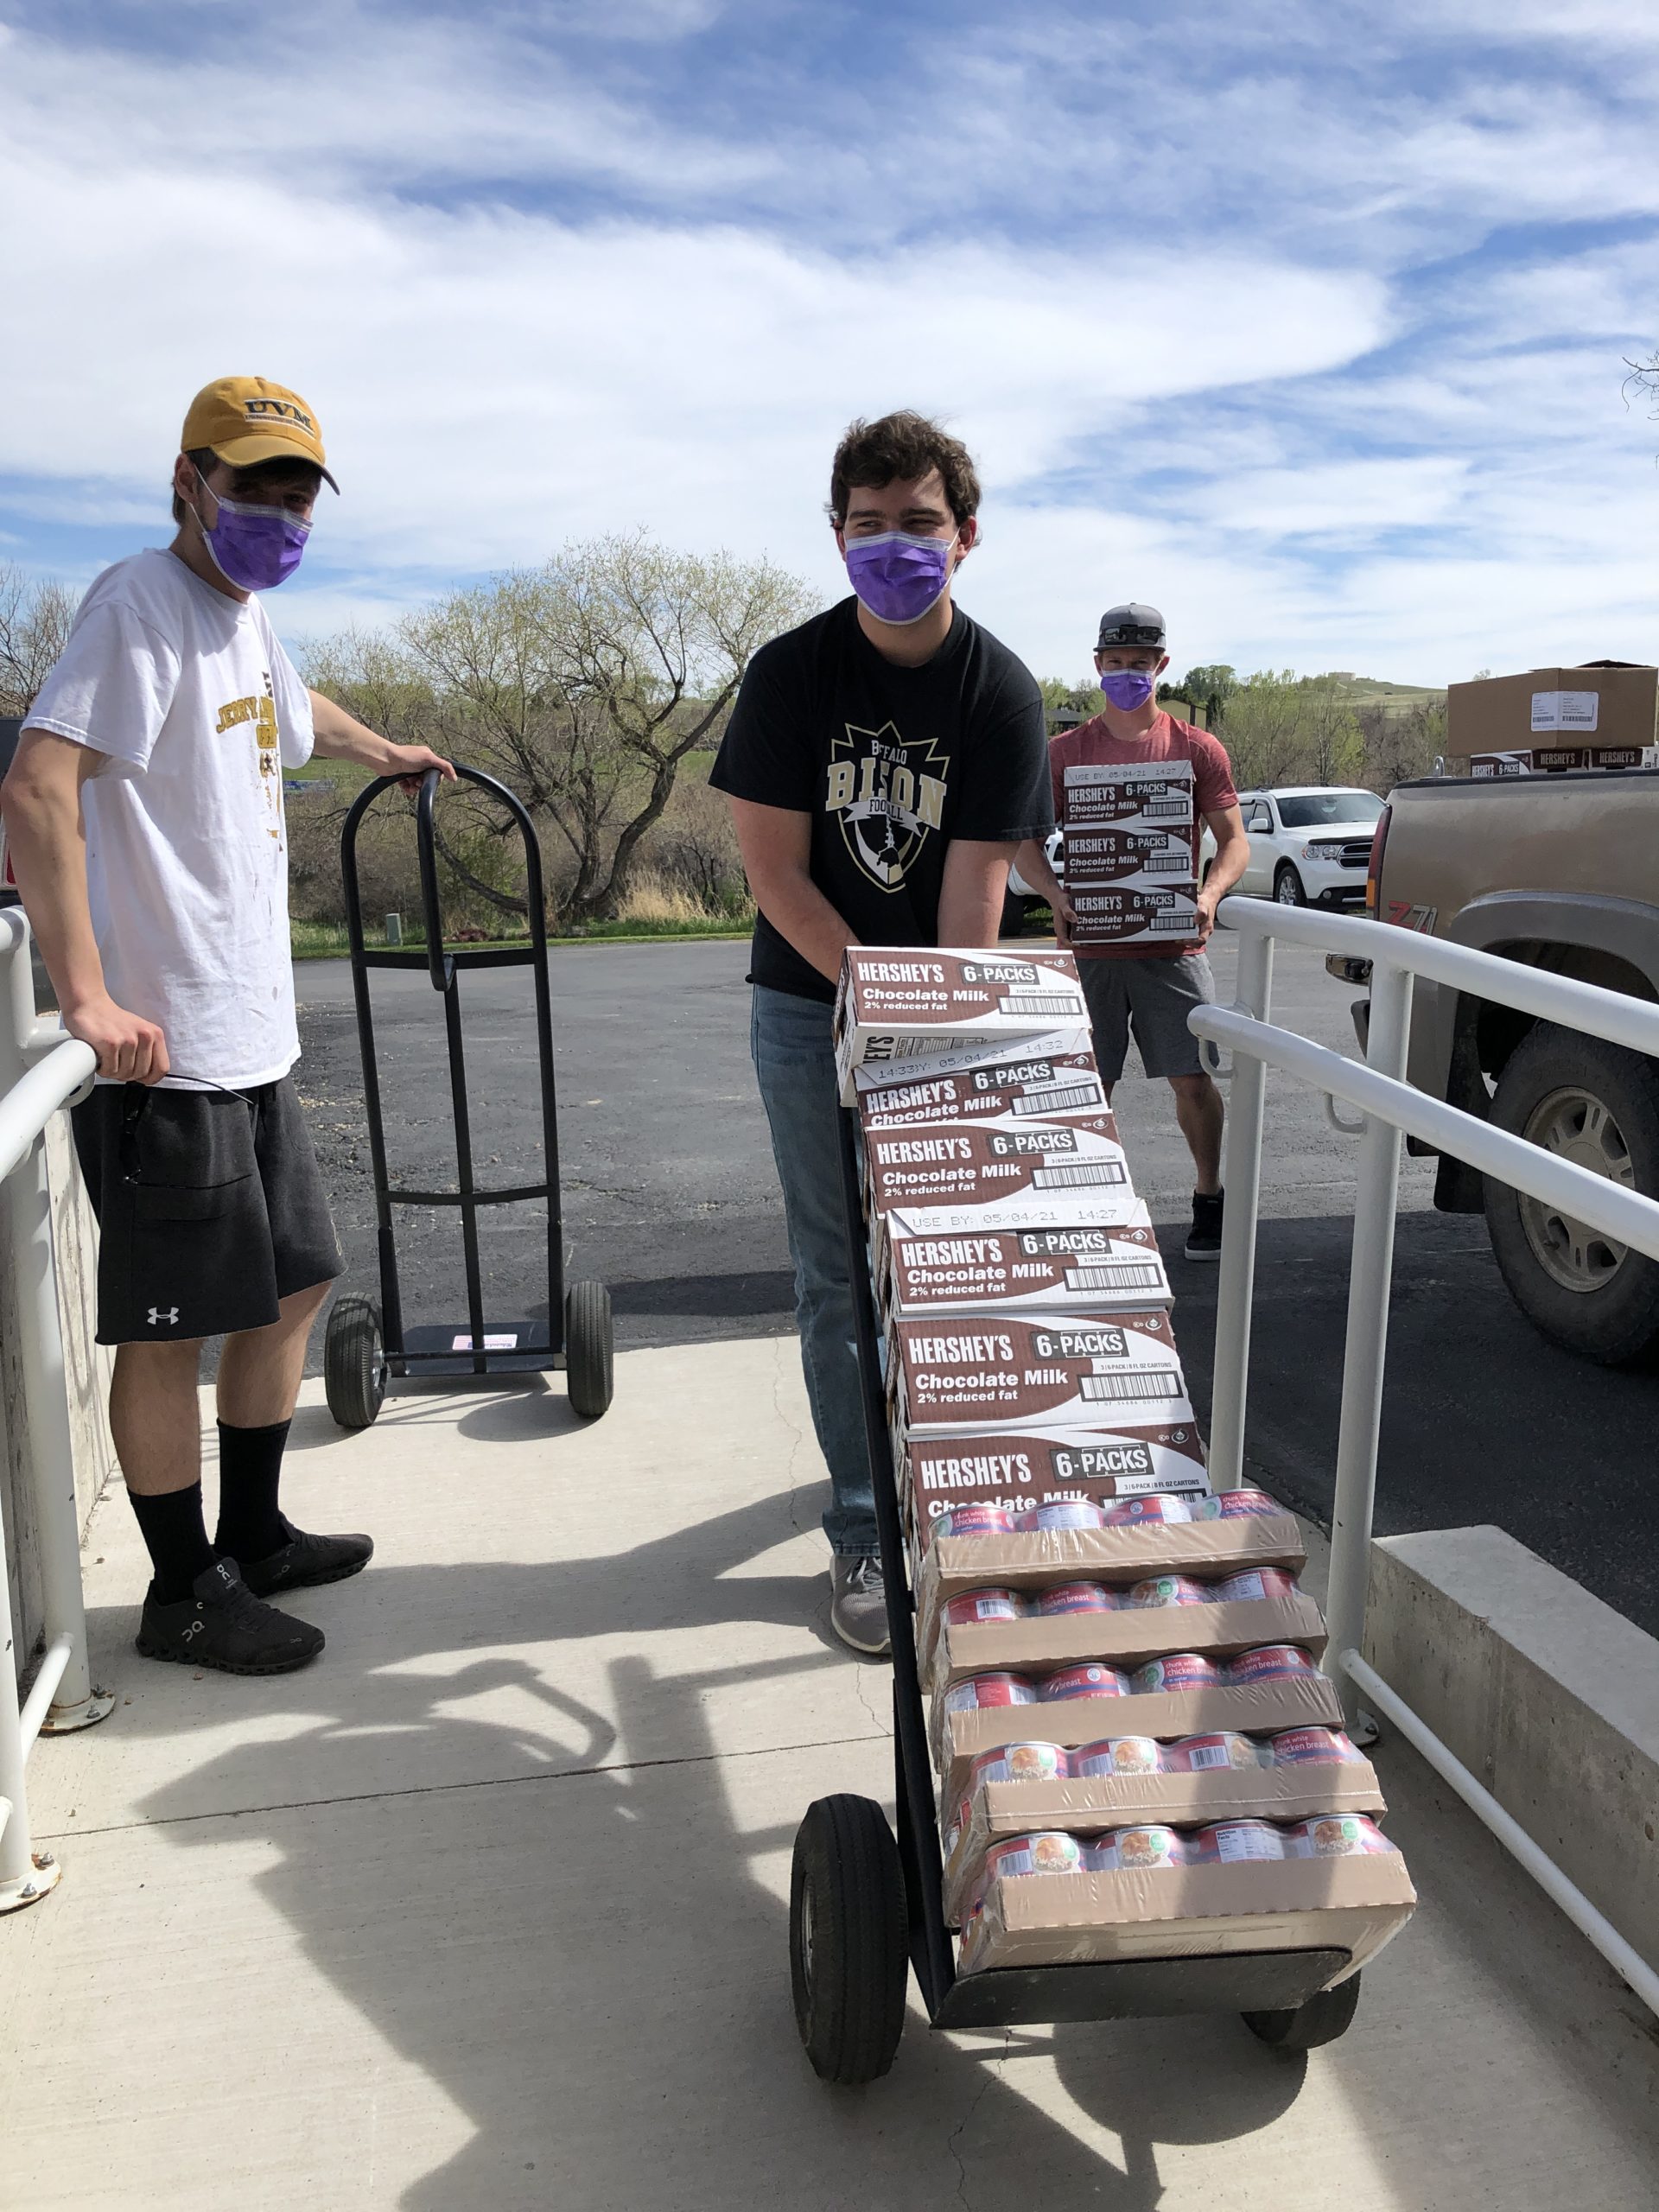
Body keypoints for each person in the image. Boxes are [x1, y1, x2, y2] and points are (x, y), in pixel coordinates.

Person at [0, 375, 454, 1676]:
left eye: (297, 489)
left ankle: (253, 1533)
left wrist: (388, 752)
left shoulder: (242, 621)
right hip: (166, 1050)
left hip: (249, 1038)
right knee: (169, 1326)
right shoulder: (138, 604)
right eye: (253, 483)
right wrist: (84, 997)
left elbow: (299, 720)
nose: (278, 511)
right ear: (189, 479)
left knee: (295, 1281)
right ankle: (181, 1592)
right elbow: (37, 791)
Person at [710, 410, 1055, 1656]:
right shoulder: (792, 675)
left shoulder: (1000, 690)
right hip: (806, 1006)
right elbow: (777, 879)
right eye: (870, 526)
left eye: (920, 523)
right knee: (836, 1273)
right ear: (838, 534)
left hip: (938, 1012)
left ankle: (958, 1506)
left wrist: (938, 1024)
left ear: (966, 536)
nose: (895, 545)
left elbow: (975, 897)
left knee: (950, 1270)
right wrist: (876, 1004)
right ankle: (863, 1526)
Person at [1015, 602, 1249, 1261]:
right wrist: (1054, 893)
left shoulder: (1196, 749)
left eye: (1139, 665)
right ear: (1096, 666)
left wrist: (1210, 892)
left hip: (1174, 946)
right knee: (1090, 1086)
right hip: (1091, 948)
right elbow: (1020, 840)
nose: (1126, 675)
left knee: (1194, 1081)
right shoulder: (1063, 753)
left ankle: (1209, 1198)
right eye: (1115, 664)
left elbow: (1235, 842)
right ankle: (1088, 1206)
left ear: (1161, 666)